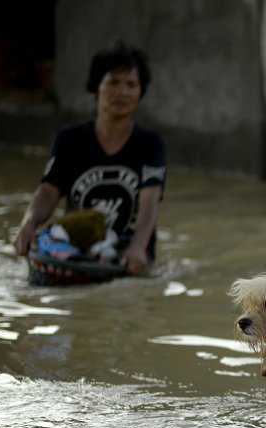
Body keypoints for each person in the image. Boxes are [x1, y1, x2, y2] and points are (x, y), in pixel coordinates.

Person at [12, 41, 166, 276]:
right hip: (76, 252)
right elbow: (49, 190)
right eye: (113, 82)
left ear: (140, 92)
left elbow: (150, 199)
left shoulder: (150, 144)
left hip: (129, 259)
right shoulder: (70, 139)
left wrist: (138, 247)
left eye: (131, 84)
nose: (122, 91)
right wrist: (28, 223)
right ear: (96, 87)